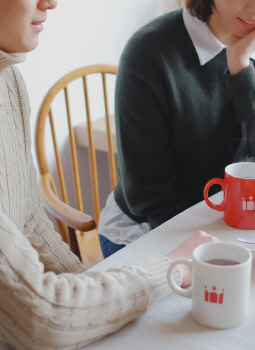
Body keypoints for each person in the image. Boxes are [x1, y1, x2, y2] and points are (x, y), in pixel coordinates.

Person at [0, 1, 219, 349]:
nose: (51, 2)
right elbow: (41, 318)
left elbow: (28, 220)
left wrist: (87, 289)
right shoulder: (150, 49)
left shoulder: (7, 76)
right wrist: (172, 267)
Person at [98, 0, 255, 257]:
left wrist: (241, 67)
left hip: (241, 224)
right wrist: (215, 247)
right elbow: (149, 194)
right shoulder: (149, 52)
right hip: (151, 227)